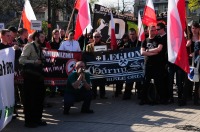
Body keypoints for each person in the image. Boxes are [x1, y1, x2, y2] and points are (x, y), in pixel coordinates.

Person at [19, 31, 47, 128]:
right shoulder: (29, 46)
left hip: (38, 77)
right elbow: (21, 60)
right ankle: (29, 121)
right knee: (30, 100)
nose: (43, 39)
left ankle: (37, 119)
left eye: (44, 37)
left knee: (39, 99)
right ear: (36, 38)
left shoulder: (39, 47)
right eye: (41, 37)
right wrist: (34, 61)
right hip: (30, 77)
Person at [140, 25, 164, 105]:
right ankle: (143, 99)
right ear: (148, 30)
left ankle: (159, 99)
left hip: (157, 65)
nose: (153, 32)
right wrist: (152, 53)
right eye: (152, 30)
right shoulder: (145, 41)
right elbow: (142, 52)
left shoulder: (159, 39)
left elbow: (159, 49)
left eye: (154, 30)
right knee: (146, 82)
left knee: (158, 82)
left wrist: (148, 51)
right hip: (148, 64)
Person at [86, 32, 108, 99]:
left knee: (102, 80)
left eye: (98, 36)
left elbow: (106, 55)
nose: (96, 38)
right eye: (95, 37)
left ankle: (102, 95)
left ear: (100, 37)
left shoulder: (104, 45)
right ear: (93, 37)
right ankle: (94, 94)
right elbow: (87, 55)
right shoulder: (89, 46)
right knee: (94, 81)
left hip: (101, 65)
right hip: (93, 65)